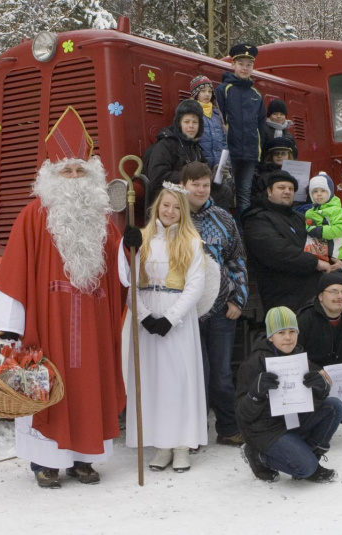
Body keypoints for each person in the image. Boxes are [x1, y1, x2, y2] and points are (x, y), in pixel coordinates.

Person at [0, 110, 134, 488]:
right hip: (47, 323)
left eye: (80, 172)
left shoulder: (102, 220)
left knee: (90, 386)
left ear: (92, 177)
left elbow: (123, 275)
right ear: (52, 176)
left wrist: (130, 248)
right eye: (66, 171)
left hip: (93, 321)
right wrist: (9, 326)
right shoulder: (33, 216)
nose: (73, 179)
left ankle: (84, 460)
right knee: (46, 385)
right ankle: (46, 463)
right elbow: (14, 273)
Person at [121, 183, 208, 472]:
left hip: (178, 317)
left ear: (182, 211)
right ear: (157, 207)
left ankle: (181, 443)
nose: (169, 211)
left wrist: (170, 318)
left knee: (179, 379)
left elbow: (195, 285)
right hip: (146, 314)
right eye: (165, 205)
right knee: (153, 380)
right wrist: (143, 316)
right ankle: (161, 443)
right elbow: (128, 280)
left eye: (175, 207)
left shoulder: (192, 241)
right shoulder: (143, 238)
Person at [180, 162, 248, 446]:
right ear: (183, 185)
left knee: (220, 374)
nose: (200, 189)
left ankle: (228, 428)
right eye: (195, 184)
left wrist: (238, 298)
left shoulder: (223, 217)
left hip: (221, 308)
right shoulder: (173, 216)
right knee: (195, 374)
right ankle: (190, 433)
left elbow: (237, 258)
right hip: (185, 312)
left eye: (205, 185)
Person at [236, 306, 342, 483]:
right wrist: (254, 394)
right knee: (306, 468)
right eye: (281, 332)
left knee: (335, 406)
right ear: (270, 336)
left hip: (294, 420)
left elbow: (313, 399)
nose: (288, 337)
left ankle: (308, 454)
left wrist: (321, 388)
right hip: (266, 430)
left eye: (292, 331)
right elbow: (241, 415)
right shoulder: (253, 364)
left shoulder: (299, 357)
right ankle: (258, 456)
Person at [243, 170, 342, 313]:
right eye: (281, 188)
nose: (287, 192)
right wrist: (316, 263)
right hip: (282, 302)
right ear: (269, 191)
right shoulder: (257, 219)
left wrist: (333, 261)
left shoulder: (301, 217)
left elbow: (319, 244)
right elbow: (277, 251)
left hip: (313, 300)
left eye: (291, 189)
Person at [296, 272, 342, 424]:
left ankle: (328, 417)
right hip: (309, 385)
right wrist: (316, 372)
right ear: (321, 296)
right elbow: (293, 355)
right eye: (334, 292)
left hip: (339, 388)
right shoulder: (305, 319)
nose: (340, 297)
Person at [215, 43, 267, 226]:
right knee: (225, 191)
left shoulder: (257, 95)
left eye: (248, 64)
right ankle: (224, 231)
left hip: (250, 154)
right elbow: (217, 121)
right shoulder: (223, 90)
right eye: (241, 63)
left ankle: (243, 234)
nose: (245, 68)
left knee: (244, 195)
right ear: (233, 65)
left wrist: (259, 152)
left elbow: (261, 126)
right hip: (229, 153)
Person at [144, 99, 206, 205]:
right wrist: (189, 177)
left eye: (195, 122)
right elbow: (158, 178)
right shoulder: (165, 145)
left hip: (190, 193)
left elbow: (203, 173)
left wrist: (214, 173)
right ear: (179, 124)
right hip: (167, 196)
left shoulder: (196, 148)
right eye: (187, 122)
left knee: (223, 191)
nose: (191, 126)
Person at [304, 173, 342, 263]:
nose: (319, 194)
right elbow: (306, 228)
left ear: (330, 192)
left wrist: (319, 230)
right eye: (315, 191)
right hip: (314, 255)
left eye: (323, 191)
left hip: (333, 257)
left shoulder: (338, 211)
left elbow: (339, 230)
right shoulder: (309, 212)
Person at [190, 75, 227, 170]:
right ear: (196, 93)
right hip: (201, 165)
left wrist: (226, 162)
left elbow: (224, 140)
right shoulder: (191, 112)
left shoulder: (217, 114)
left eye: (210, 91)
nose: (207, 94)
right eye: (203, 91)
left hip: (219, 166)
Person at [250, 137, 294, 213]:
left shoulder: (296, 172)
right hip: (270, 211)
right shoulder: (263, 175)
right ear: (271, 156)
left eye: (283, 153)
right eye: (276, 153)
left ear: (289, 155)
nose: (279, 156)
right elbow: (255, 199)